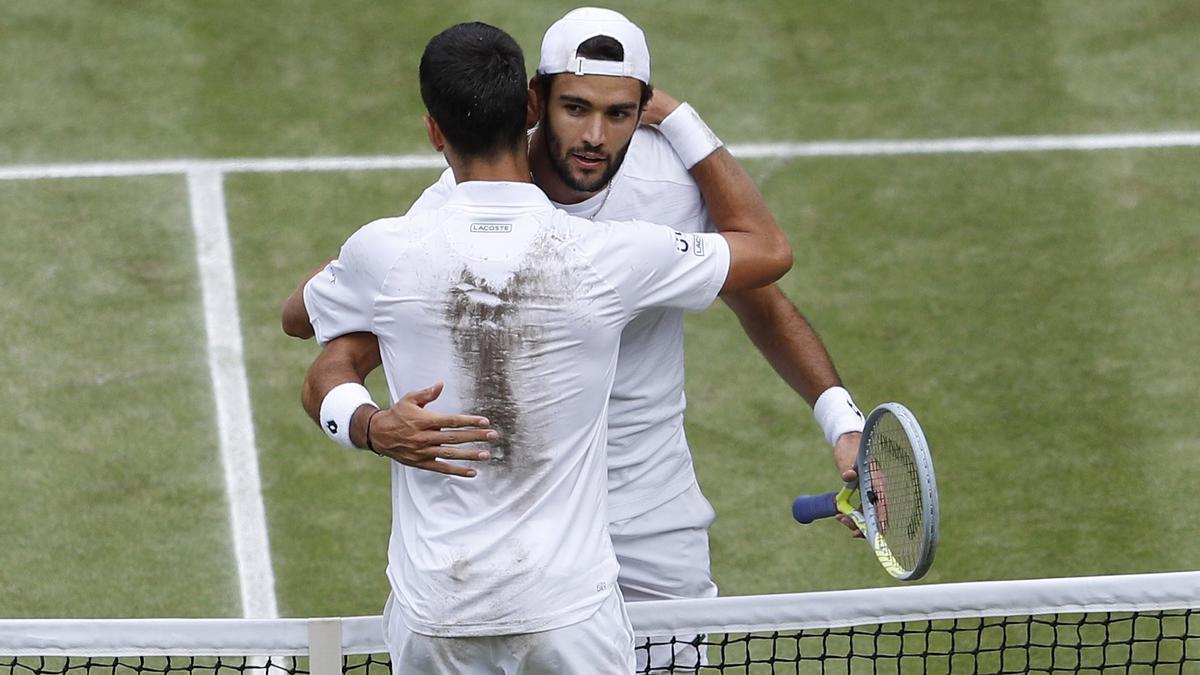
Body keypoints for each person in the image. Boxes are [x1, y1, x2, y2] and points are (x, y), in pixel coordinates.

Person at [283, 7, 864, 670]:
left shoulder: (668, 192)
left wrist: (840, 420)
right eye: (576, 108)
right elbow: (342, 343)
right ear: (534, 102)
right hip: (513, 530)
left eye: (621, 113)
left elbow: (762, 300)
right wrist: (369, 421)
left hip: (651, 506)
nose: (595, 136)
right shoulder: (440, 215)